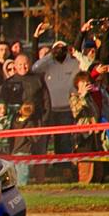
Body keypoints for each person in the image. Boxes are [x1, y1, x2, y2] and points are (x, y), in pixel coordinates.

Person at [0, 53, 51, 182]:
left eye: (25, 64)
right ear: (14, 66)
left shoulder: (38, 80)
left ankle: (40, 181)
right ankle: (16, 181)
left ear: (30, 64)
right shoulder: (8, 83)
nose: (23, 67)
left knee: (39, 153)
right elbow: (1, 103)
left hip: (36, 123)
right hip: (16, 126)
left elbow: (46, 101)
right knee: (17, 155)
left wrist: (44, 121)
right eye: (20, 64)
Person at [32, 39, 80, 173]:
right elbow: (34, 68)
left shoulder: (74, 63)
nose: (60, 52)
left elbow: (86, 66)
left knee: (64, 140)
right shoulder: (48, 64)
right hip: (50, 109)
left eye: (62, 49)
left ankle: (63, 168)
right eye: (57, 49)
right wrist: (50, 55)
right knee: (45, 139)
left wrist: (74, 53)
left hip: (66, 108)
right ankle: (43, 167)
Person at [69, 71, 106, 183]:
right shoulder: (74, 97)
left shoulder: (91, 98)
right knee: (86, 165)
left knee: (98, 166)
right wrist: (82, 96)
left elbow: (96, 113)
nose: (87, 84)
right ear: (78, 84)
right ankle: (84, 186)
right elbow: (75, 112)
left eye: (88, 82)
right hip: (83, 137)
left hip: (94, 135)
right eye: (84, 82)